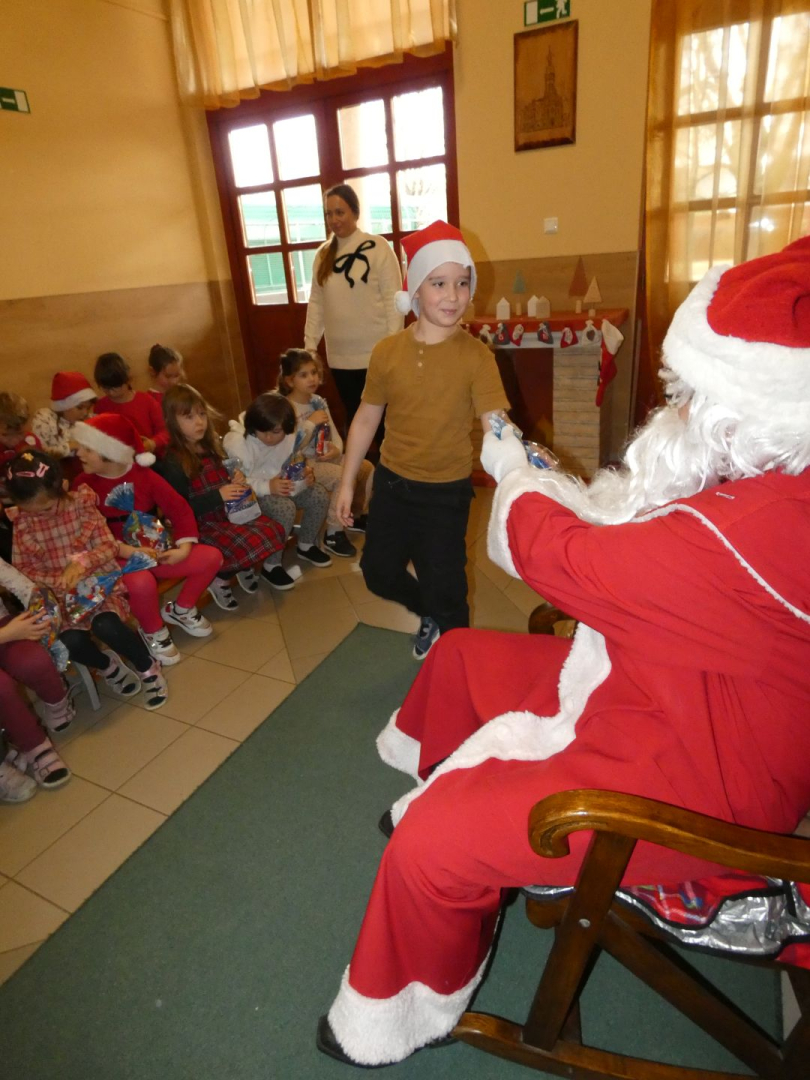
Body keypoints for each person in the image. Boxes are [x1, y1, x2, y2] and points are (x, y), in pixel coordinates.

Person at [317, 236, 810, 1068]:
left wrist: (517, 475)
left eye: (692, 395)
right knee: (461, 655)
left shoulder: (766, 528)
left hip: (701, 772)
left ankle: (397, 1007)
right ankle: (443, 783)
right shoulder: (764, 481)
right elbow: (648, 549)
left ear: (752, 408)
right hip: (661, 676)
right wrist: (556, 484)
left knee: (432, 842)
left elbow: (570, 564)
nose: (676, 411)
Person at [334, 220, 509, 660]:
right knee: (378, 572)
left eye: (462, 282)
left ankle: (457, 661)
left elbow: (496, 422)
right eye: (439, 283)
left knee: (447, 587)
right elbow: (366, 418)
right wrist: (347, 481)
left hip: (446, 494)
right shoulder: (386, 352)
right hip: (393, 484)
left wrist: (516, 464)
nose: (453, 295)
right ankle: (427, 612)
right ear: (415, 288)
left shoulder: (476, 356)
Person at [7, 450, 169, 711]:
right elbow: (23, 568)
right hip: (60, 597)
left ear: (62, 487)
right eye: (30, 510)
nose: (40, 515)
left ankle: (147, 666)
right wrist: (57, 579)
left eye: (46, 508)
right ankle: (108, 667)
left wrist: (82, 564)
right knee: (70, 641)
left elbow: (108, 546)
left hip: (99, 585)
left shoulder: (81, 505)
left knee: (106, 624)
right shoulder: (23, 522)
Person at [72, 413, 221, 664]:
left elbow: (179, 510)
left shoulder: (144, 475)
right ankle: (153, 630)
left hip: (153, 549)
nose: (78, 453)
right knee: (141, 582)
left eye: (87, 449)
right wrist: (125, 551)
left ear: (110, 452)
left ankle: (181, 609)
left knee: (211, 557)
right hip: (114, 558)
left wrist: (183, 548)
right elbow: (81, 534)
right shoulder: (82, 485)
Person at [158, 384, 286, 611]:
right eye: (189, 417)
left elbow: (222, 477)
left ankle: (240, 565)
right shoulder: (174, 461)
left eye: (201, 414)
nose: (199, 422)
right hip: (201, 526)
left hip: (226, 515)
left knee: (271, 529)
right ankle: (220, 578)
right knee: (248, 540)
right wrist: (218, 495)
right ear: (172, 422)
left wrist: (235, 478)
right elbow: (179, 512)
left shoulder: (211, 447)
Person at [303, 183, 403, 438]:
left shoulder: (378, 247)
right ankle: (361, 464)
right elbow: (317, 303)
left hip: (376, 356)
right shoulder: (322, 255)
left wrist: (393, 348)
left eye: (340, 212)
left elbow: (394, 301)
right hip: (340, 358)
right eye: (329, 214)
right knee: (355, 419)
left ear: (355, 213)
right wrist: (310, 346)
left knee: (383, 426)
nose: (334, 219)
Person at [222, 393, 331, 591]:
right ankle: (271, 565)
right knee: (285, 508)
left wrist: (303, 474)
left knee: (318, 494)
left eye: (276, 432)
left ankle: (306, 544)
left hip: (279, 485)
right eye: (263, 432)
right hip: (252, 496)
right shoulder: (238, 442)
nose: (269, 438)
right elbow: (238, 482)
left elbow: (292, 460)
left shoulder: (289, 436)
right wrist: (268, 487)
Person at [276, 348, 373, 559]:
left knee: (365, 467)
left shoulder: (318, 401)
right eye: (303, 375)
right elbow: (289, 447)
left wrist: (336, 450)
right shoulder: (285, 406)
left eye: (313, 372)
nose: (312, 378)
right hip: (301, 463)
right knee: (341, 477)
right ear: (290, 381)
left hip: (322, 456)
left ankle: (354, 515)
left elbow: (334, 436)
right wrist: (310, 424)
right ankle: (333, 533)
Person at [0, 556, 73, 800]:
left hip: (4, 626)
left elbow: (20, 584)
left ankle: (58, 704)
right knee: (2, 687)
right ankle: (35, 746)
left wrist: (40, 605)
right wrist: (7, 634)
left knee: (33, 661)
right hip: (4, 632)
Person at [94, 352, 168, 455]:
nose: (111, 392)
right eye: (105, 388)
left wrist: (152, 443)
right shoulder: (100, 406)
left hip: (149, 457)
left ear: (128, 380)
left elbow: (165, 431)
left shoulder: (146, 401)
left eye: (116, 387)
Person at [30, 372, 97, 484]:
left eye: (88, 408)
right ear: (64, 406)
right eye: (80, 408)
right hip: (52, 479)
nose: (85, 413)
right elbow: (39, 454)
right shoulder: (44, 419)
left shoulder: (89, 420)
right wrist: (70, 447)